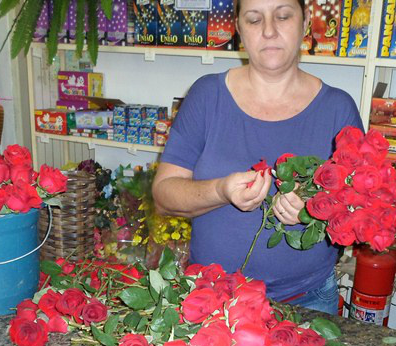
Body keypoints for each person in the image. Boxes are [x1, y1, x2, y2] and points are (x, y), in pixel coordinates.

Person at [152, 0, 363, 315]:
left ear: (306, 24)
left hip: (308, 302)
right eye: (254, 19)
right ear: (238, 30)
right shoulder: (207, 95)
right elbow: (163, 195)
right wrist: (221, 190)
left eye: (283, 16)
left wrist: (315, 212)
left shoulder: (338, 109)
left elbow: (361, 210)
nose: (269, 31)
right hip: (213, 299)